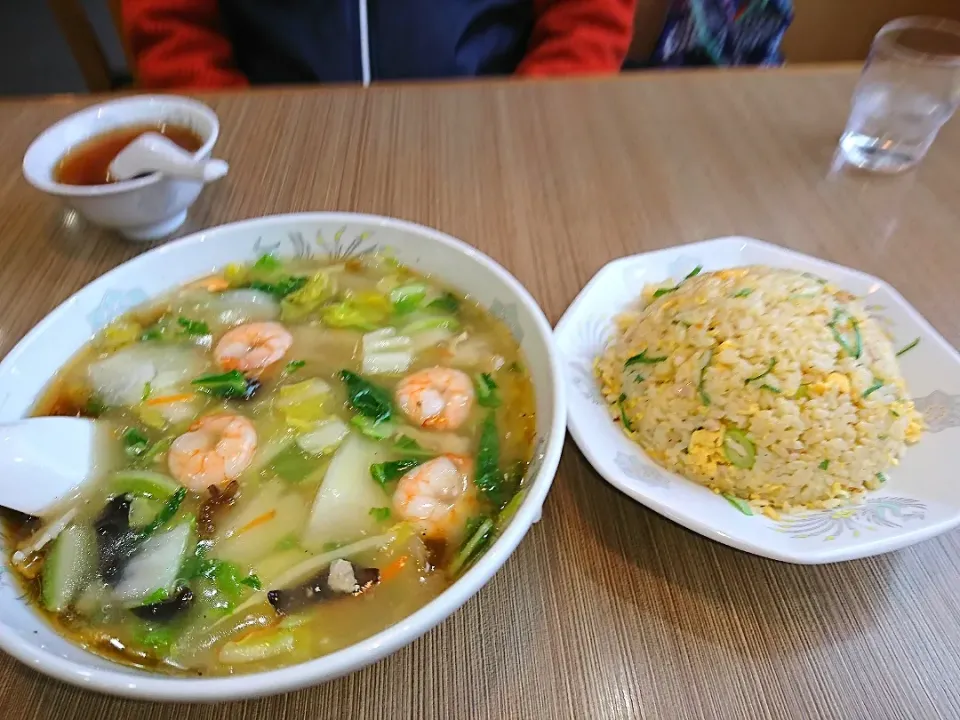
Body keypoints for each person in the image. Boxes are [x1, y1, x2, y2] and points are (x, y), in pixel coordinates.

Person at [122, 0, 639, 89]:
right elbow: (171, 23)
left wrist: (533, 111)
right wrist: (230, 123)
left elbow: (588, 17)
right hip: (270, 125)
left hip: (493, 116)